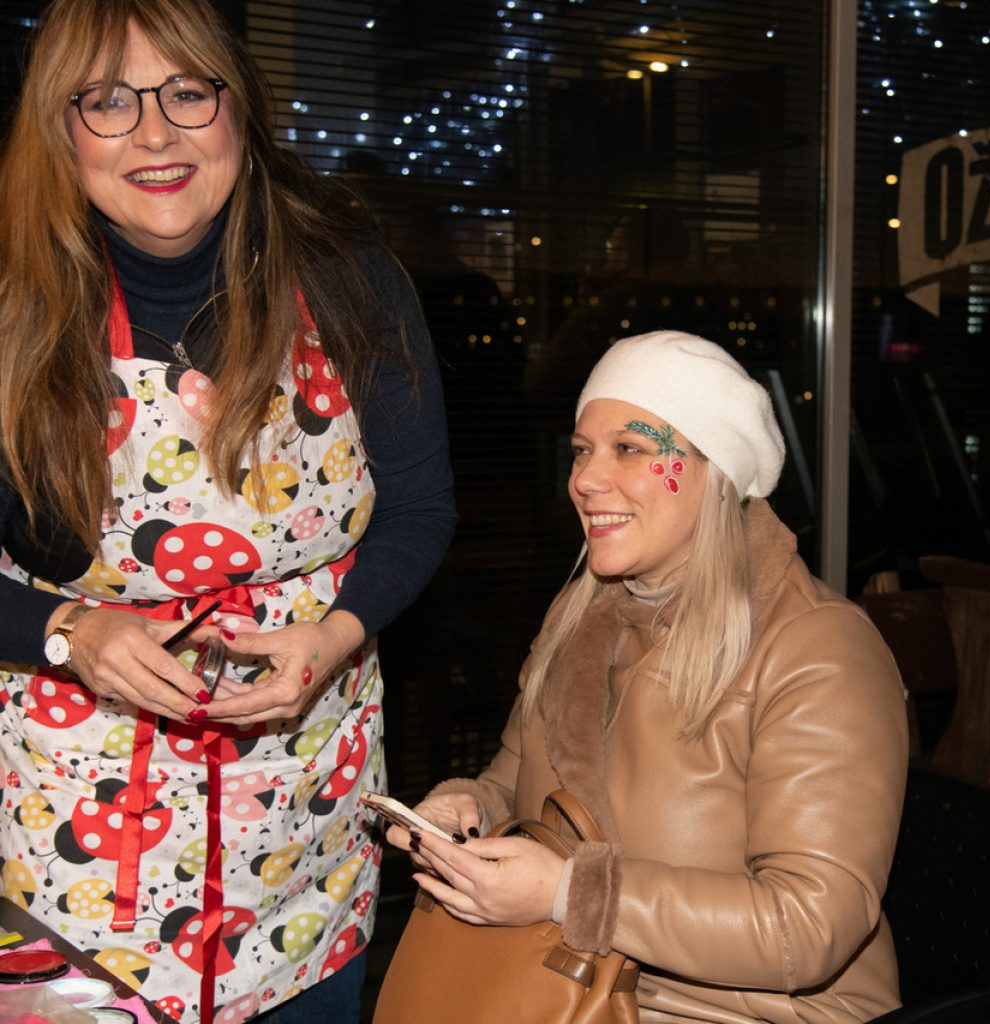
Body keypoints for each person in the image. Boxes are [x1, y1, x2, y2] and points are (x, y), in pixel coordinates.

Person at [0, 1, 456, 1022]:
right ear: (61, 128)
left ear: (236, 108)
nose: (154, 133)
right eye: (108, 101)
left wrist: (334, 634)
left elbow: (421, 507)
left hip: (303, 835)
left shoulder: (347, 279)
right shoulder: (12, 302)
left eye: (186, 93)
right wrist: (70, 629)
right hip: (75, 849)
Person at [388, 331, 909, 1023]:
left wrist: (568, 893)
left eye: (629, 449)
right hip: (572, 984)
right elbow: (512, 783)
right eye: (582, 450)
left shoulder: (819, 649)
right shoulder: (579, 620)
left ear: (715, 470)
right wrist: (465, 812)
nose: (585, 479)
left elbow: (807, 928)